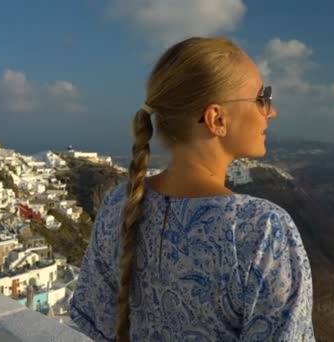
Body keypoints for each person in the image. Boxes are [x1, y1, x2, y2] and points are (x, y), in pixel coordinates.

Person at [69, 36, 315, 341]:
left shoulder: (119, 202)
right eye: (262, 98)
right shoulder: (261, 230)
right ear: (217, 119)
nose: (271, 111)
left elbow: (92, 322)